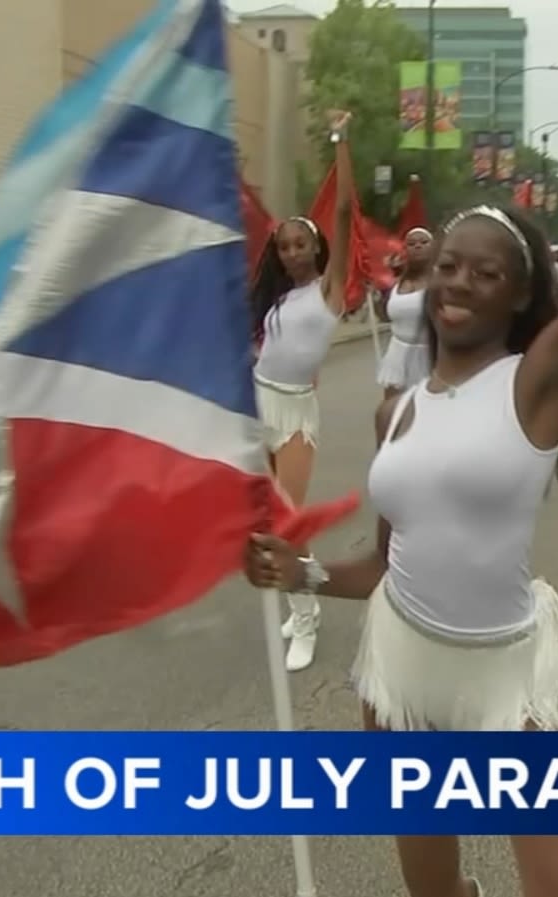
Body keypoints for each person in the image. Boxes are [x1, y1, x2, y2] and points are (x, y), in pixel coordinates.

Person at [241, 4, 558, 897]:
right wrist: (300, 574)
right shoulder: (398, 411)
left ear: (518, 295)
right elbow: (387, 566)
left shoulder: (539, 379)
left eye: (484, 271)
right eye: (445, 268)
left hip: (504, 676)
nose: (457, 282)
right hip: (401, 671)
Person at [247, 111, 356, 673]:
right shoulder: (277, 300)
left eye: (300, 244)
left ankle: (308, 613)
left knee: (289, 520)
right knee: (264, 520)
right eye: (284, 246)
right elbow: (265, 349)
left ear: (316, 249)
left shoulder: (330, 292)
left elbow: (341, 210)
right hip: (256, 400)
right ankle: (297, 601)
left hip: (294, 413)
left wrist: (340, 140)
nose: (292, 253)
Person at [374, 227, 435, 399]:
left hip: (428, 357)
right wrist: (377, 294)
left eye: (424, 242)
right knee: (395, 414)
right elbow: (385, 316)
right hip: (397, 356)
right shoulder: (396, 283)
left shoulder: (440, 281)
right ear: (405, 250)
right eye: (411, 244)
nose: (418, 246)